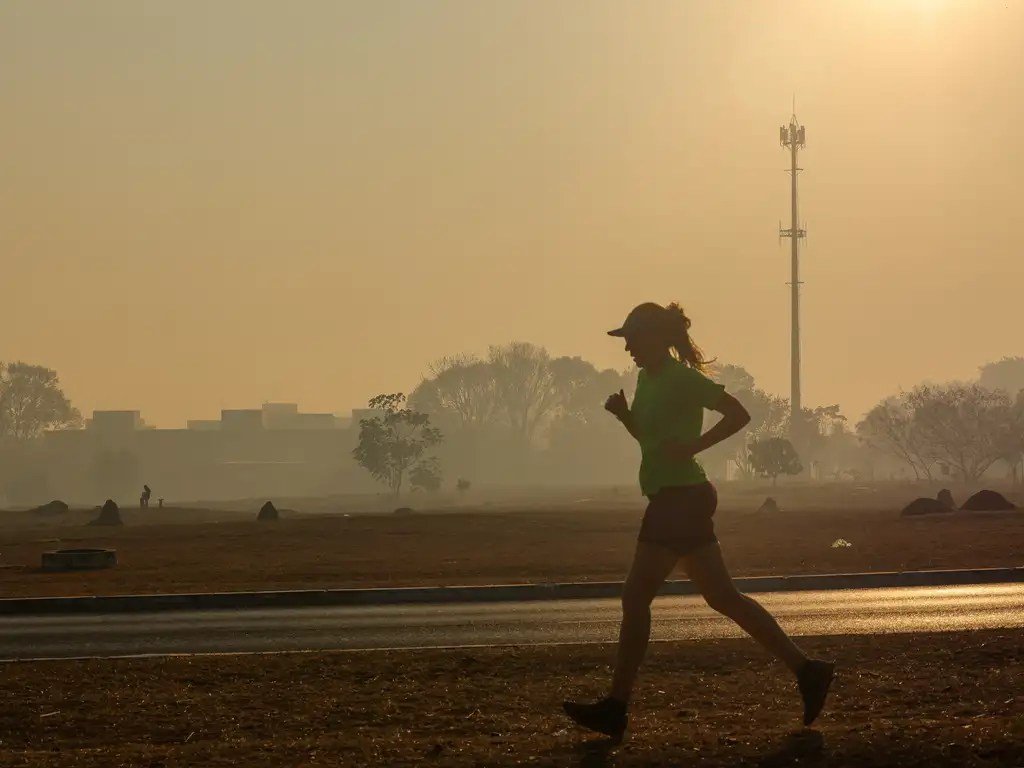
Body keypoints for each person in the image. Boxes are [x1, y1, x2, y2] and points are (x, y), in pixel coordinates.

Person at [562, 302, 834, 740]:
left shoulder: (682, 378)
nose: (627, 347)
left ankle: (616, 707)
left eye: (631, 338)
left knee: (635, 598)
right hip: (677, 496)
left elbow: (739, 413)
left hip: (679, 500)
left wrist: (696, 446)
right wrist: (626, 417)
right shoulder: (645, 380)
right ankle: (807, 670)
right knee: (723, 597)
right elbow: (651, 440)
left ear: (655, 337)